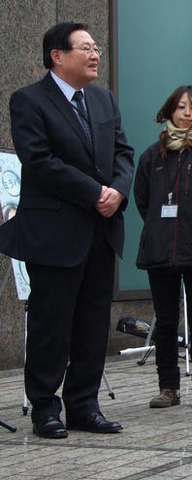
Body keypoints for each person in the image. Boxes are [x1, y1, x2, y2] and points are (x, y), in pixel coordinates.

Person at [0, 22, 134, 438]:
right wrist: (95, 191)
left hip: (101, 229)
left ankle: (84, 406)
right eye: (86, 48)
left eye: (96, 48)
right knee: (50, 325)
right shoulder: (28, 101)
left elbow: (124, 153)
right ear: (57, 55)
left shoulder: (103, 99)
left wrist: (118, 192)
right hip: (54, 234)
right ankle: (45, 409)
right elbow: (39, 161)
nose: (95, 55)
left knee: (93, 324)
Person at [134, 86, 192, 409]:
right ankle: (168, 387)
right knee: (165, 321)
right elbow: (143, 201)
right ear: (170, 110)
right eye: (181, 107)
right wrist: (162, 228)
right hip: (159, 251)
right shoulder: (150, 156)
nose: (187, 113)